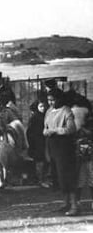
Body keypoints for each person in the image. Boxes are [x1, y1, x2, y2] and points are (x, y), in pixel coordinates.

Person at [43, 88, 78, 216]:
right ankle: (65, 202)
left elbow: (71, 128)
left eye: (53, 99)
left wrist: (55, 130)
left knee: (67, 175)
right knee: (57, 175)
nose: (51, 102)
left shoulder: (66, 110)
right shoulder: (49, 111)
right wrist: (46, 131)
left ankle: (74, 205)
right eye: (49, 100)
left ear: (59, 99)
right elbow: (45, 127)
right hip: (52, 146)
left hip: (64, 146)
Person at [27, 100, 48, 187]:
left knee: (43, 160)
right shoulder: (35, 117)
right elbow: (29, 132)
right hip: (38, 141)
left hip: (42, 140)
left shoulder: (43, 116)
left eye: (44, 106)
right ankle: (40, 180)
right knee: (40, 161)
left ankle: (42, 179)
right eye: (40, 106)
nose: (43, 108)